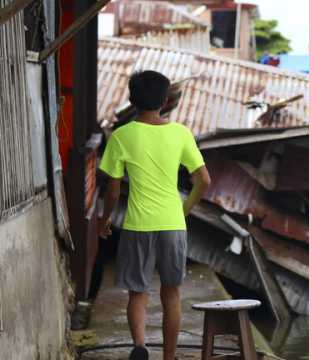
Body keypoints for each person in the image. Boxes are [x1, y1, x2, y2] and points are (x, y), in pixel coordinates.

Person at [98, 70, 211, 360]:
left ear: (132, 99)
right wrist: (183, 212)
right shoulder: (180, 133)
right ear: (165, 100)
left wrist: (105, 219)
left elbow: (112, 191)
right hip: (173, 224)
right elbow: (204, 181)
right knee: (171, 294)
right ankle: (169, 357)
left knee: (138, 292)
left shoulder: (121, 136)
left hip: (138, 225)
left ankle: (140, 346)